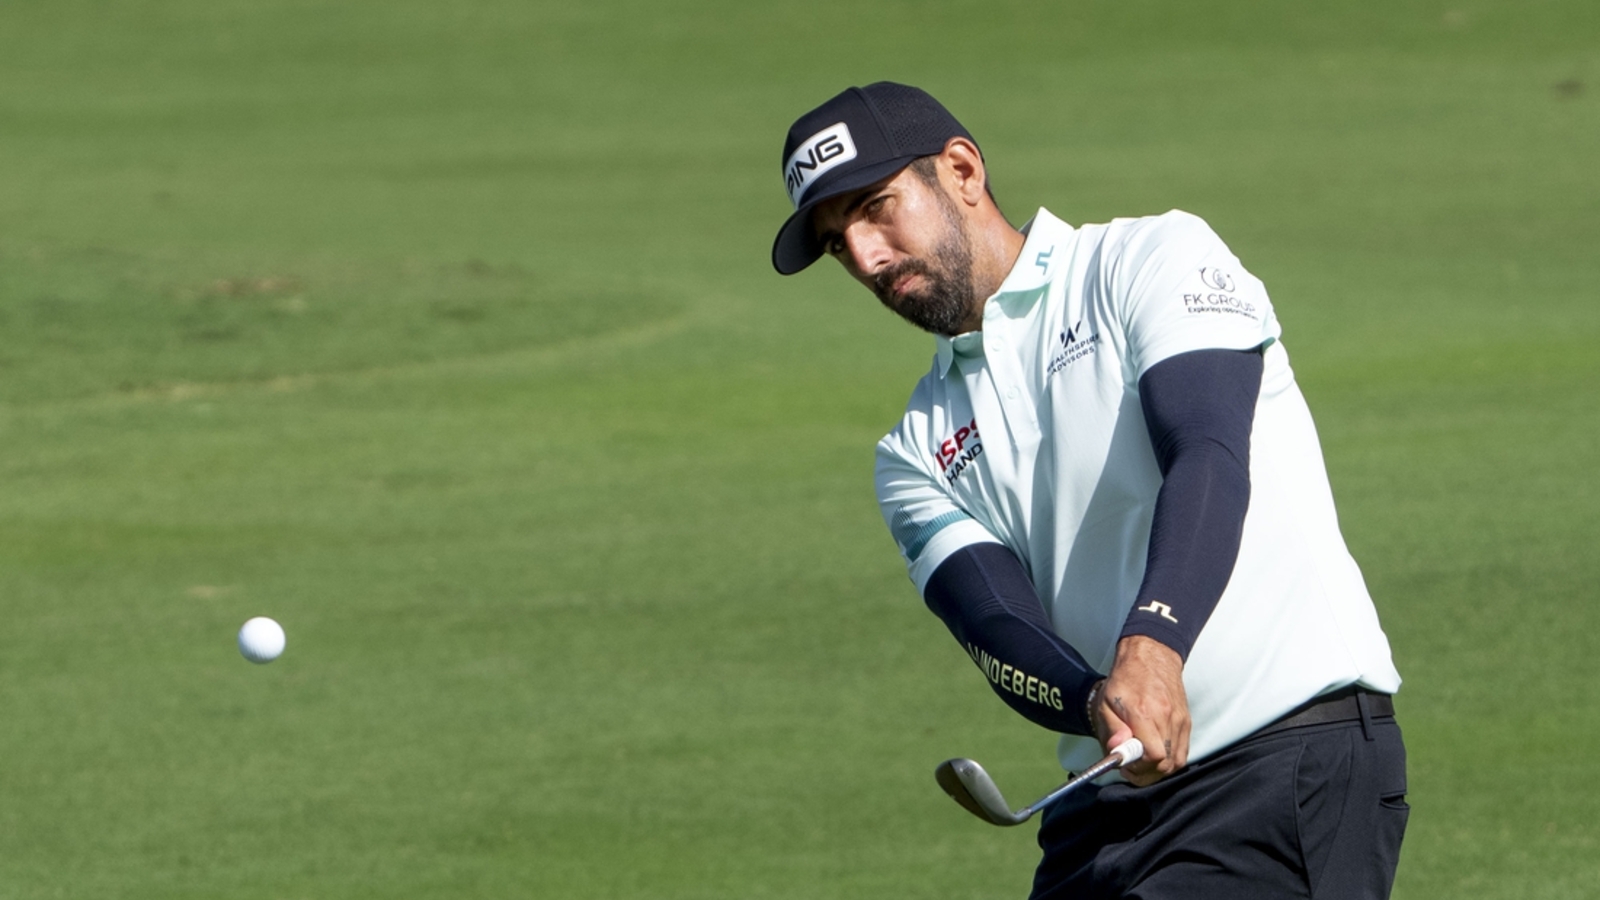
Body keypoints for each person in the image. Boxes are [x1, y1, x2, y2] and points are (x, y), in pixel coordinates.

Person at [770, 82, 1409, 899]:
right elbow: (996, 623)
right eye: (836, 243)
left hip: (1282, 764)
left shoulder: (1150, 259)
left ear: (962, 169)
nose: (865, 256)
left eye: (876, 207)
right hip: (1105, 813)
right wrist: (1093, 702)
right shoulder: (914, 450)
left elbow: (1207, 452)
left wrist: (1154, 645)